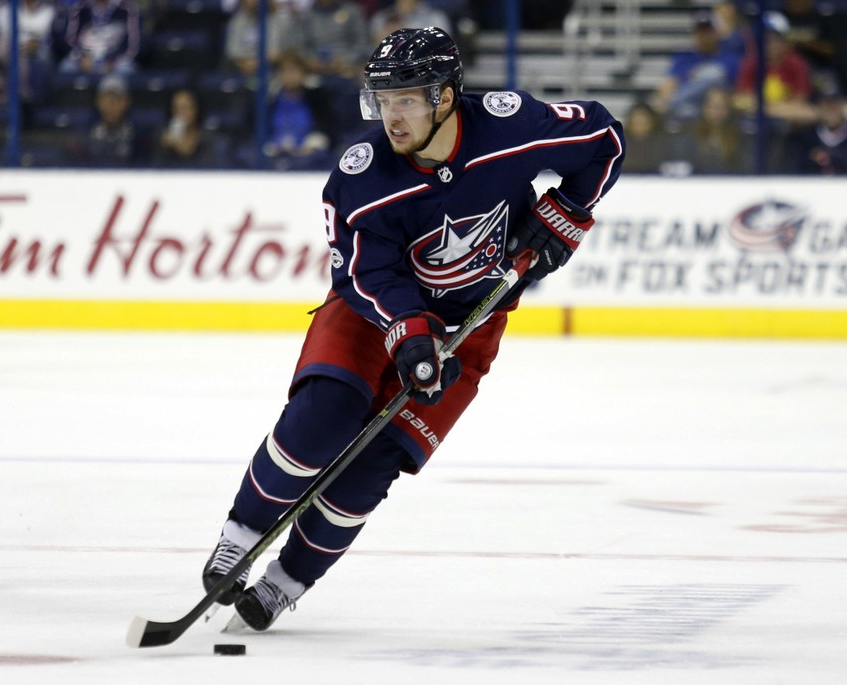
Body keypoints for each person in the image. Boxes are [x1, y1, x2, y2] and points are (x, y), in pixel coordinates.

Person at [200, 26, 624, 632]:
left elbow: (604, 136)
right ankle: (239, 534)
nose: (390, 116)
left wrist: (569, 211)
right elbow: (365, 271)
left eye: (405, 99)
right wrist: (408, 327)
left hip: (468, 329)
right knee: (323, 418)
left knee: (374, 464)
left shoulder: (511, 129)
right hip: (373, 316)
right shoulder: (362, 176)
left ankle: (285, 581)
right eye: (382, 100)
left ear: (445, 97)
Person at [652, 10, 742, 121]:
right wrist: (663, 100)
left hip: (720, 110)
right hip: (690, 112)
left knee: (714, 75)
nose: (704, 35)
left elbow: (738, 92)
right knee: (685, 110)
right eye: (700, 31)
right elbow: (667, 87)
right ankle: (676, 103)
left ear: (716, 32)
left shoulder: (730, 59)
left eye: (708, 31)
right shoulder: (684, 58)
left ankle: (675, 103)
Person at [59, 0, 141, 75]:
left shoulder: (126, 9)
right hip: (85, 59)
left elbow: (133, 46)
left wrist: (113, 62)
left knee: (125, 69)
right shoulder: (80, 9)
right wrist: (82, 58)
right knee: (67, 67)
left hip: (115, 61)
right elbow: (70, 41)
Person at [152, 88, 218, 168]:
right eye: (175, 107)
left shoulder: (208, 138)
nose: (180, 112)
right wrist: (163, 149)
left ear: (196, 109)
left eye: (185, 107)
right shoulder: (162, 136)